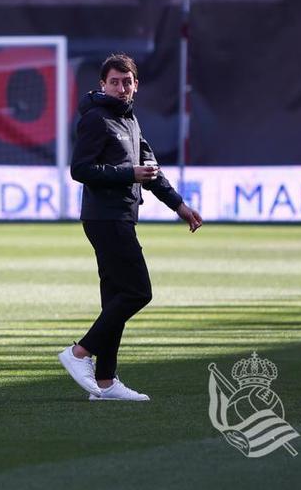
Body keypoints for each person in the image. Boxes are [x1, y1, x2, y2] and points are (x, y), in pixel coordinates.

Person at [59, 54, 203, 401]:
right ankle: (80, 353)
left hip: (121, 216)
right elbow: (79, 169)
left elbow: (150, 170)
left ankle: (106, 382)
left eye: (127, 82)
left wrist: (179, 205)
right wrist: (128, 174)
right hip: (104, 218)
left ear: (135, 85)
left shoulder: (130, 120)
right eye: (115, 82)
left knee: (116, 298)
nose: (121, 88)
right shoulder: (96, 119)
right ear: (102, 85)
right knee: (139, 292)